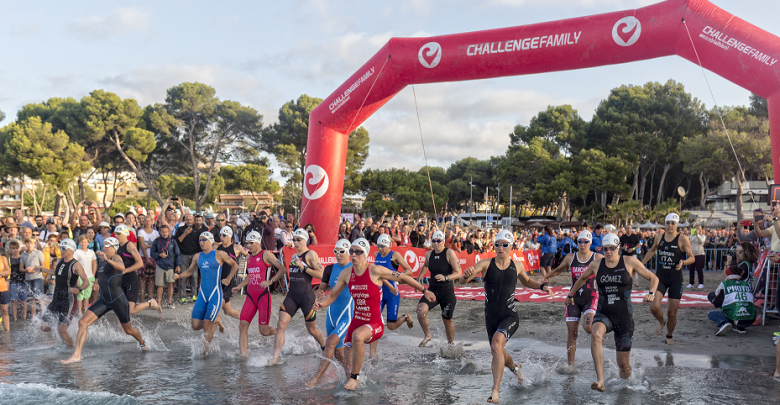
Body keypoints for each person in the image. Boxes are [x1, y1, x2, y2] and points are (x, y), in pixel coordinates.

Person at [313, 238, 435, 391]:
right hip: (356, 323)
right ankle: (352, 384)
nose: (353, 255)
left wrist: (425, 290)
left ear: (364, 254)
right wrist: (321, 304)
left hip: (374, 323)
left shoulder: (374, 270)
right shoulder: (346, 273)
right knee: (346, 358)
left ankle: (355, 378)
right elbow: (332, 296)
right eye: (352, 251)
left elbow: (403, 277)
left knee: (358, 336)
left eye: (358, 252)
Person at [460, 230, 554, 403]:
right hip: (491, 318)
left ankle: (495, 391)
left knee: (496, 345)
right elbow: (461, 281)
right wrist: (466, 276)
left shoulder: (516, 265)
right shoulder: (485, 264)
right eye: (497, 244)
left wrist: (542, 286)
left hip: (510, 315)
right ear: (494, 246)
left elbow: (526, 281)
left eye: (504, 244)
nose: (501, 248)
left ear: (511, 246)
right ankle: (516, 369)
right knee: (499, 351)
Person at [567, 233, 659, 392]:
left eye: (612, 248)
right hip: (604, 313)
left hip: (624, 318)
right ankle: (600, 380)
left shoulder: (629, 261)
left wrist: (651, 293)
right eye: (605, 249)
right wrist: (570, 295)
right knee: (595, 334)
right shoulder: (597, 264)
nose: (608, 252)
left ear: (618, 248)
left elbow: (653, 278)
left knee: (623, 366)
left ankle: (633, 384)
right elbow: (581, 279)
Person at [61, 237, 152, 363]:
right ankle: (76, 355)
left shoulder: (115, 257)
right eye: (103, 246)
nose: (104, 248)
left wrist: (107, 259)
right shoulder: (103, 261)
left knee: (128, 330)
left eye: (107, 246)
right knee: (82, 323)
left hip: (117, 300)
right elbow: (101, 276)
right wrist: (97, 282)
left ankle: (142, 342)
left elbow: (121, 267)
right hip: (104, 300)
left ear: (114, 248)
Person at [545, 230, 603, 368]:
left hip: (591, 297)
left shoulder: (597, 257)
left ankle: (599, 338)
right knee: (572, 333)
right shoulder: (570, 257)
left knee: (588, 327)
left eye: (585, 242)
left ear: (590, 243)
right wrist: (546, 277)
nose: (582, 244)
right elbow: (558, 270)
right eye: (580, 242)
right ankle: (571, 366)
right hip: (573, 299)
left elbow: (611, 267)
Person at [269, 228, 326, 365]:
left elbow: (322, 275)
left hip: (307, 297)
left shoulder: (310, 254)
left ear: (305, 239)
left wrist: (304, 267)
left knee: (312, 330)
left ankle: (325, 348)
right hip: (292, 296)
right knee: (281, 325)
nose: (295, 242)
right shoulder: (294, 256)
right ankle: (275, 358)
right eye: (294, 239)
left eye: (298, 239)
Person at [174, 232, 238, 353]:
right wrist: (179, 276)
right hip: (202, 294)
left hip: (215, 293)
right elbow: (189, 271)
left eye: (204, 240)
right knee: (195, 325)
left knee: (207, 323)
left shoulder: (220, 254)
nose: (201, 242)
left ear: (211, 241)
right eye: (200, 240)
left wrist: (229, 278)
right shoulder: (197, 256)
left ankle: (205, 350)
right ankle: (217, 320)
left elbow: (235, 266)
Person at [305, 239, 355, 388]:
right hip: (331, 315)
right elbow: (323, 290)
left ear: (348, 252)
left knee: (330, 342)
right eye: (335, 252)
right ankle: (352, 378)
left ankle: (316, 379)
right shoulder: (329, 269)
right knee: (340, 356)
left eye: (341, 252)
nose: (338, 255)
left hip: (347, 315)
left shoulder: (354, 268)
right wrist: (319, 298)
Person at [641, 213, 695, 345]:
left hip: (676, 279)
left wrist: (683, 263)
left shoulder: (682, 239)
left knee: (672, 312)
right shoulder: (659, 237)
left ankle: (669, 335)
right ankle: (661, 322)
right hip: (660, 278)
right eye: (668, 223)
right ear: (664, 224)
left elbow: (692, 257)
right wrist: (640, 265)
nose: (670, 225)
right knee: (654, 306)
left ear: (677, 224)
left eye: (673, 223)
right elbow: (651, 251)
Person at [232, 231, 285, 358]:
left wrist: (270, 281)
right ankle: (243, 356)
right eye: (247, 243)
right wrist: (239, 286)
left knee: (264, 331)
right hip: (250, 296)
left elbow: (282, 269)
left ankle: (280, 333)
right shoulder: (249, 257)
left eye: (251, 243)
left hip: (263, 296)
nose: (248, 246)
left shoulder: (266, 255)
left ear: (258, 242)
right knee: (242, 325)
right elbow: (250, 276)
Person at [369, 234, 415, 355]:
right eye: (378, 246)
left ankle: (406, 316)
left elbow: (409, 271)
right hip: (378, 293)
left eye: (382, 246)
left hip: (392, 294)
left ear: (388, 245)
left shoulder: (394, 255)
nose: (380, 249)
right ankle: (372, 354)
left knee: (391, 326)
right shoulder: (376, 255)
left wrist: (397, 276)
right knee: (374, 322)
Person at [416, 230, 463, 347]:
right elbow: (425, 265)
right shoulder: (429, 254)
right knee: (420, 311)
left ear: (443, 241)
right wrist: (418, 278)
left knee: (447, 321)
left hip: (447, 292)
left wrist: (446, 277)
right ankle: (427, 335)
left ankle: (451, 344)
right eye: (434, 241)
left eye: (438, 241)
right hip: (432, 291)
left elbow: (458, 273)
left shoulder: (449, 253)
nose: (436, 244)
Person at [40, 239, 91, 347]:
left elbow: (86, 282)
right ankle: (63, 334)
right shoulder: (60, 261)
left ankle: (71, 349)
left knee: (62, 330)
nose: (61, 251)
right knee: (44, 326)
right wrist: (40, 269)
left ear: (71, 250)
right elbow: (56, 272)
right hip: (57, 298)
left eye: (63, 248)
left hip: (68, 300)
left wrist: (79, 289)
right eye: (60, 248)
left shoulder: (76, 265)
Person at [114, 225, 161, 315]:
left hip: (131, 280)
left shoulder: (130, 245)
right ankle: (121, 329)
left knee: (131, 310)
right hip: (121, 280)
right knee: (120, 309)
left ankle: (151, 303)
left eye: (118, 234)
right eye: (115, 233)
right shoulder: (117, 246)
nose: (116, 235)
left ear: (125, 234)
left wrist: (125, 270)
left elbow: (139, 263)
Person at [707, 264, 756, 335]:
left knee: (711, 314)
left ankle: (723, 323)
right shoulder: (746, 284)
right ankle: (739, 327)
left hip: (736, 316)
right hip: (750, 319)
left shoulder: (725, 284)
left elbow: (717, 303)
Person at [175, 213, 207, 303]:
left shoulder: (197, 229)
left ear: (193, 220)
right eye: (187, 219)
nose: (189, 221)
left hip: (195, 255)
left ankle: (194, 295)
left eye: (190, 219)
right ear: (185, 220)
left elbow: (200, 242)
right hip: (184, 255)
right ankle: (183, 296)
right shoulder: (181, 229)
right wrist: (185, 233)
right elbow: (179, 240)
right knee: (183, 276)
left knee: (194, 276)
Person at [214, 226, 245, 319]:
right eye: (220, 235)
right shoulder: (216, 247)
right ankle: (245, 319)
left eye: (224, 235)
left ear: (230, 236)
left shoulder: (237, 247)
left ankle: (210, 330)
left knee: (218, 304)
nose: (221, 237)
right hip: (219, 281)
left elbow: (249, 256)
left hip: (230, 281)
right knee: (227, 311)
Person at [151, 225, 181, 307]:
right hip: (160, 265)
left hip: (170, 266)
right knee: (160, 285)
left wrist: (178, 265)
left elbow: (178, 254)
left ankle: (169, 302)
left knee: (170, 284)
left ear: (169, 232)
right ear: (160, 232)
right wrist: (159, 255)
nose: (165, 233)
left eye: (166, 232)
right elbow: (152, 253)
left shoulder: (172, 241)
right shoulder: (156, 241)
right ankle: (159, 303)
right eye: (163, 232)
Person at [73, 235, 97, 317]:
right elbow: (74, 264)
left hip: (90, 276)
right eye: (81, 242)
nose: (83, 244)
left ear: (88, 243)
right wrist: (76, 276)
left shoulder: (91, 252)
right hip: (80, 277)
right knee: (80, 295)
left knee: (87, 295)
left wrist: (93, 275)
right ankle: (79, 312)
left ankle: (86, 311)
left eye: (85, 242)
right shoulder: (77, 252)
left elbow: (94, 264)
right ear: (79, 243)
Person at [138, 216, 160, 303]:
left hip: (153, 256)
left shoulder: (156, 233)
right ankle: (142, 297)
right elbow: (142, 246)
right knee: (143, 277)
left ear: (152, 222)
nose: (147, 222)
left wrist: (148, 246)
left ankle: (151, 296)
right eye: (146, 221)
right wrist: (147, 258)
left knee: (152, 277)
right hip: (143, 256)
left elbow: (157, 245)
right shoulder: (141, 232)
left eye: (149, 221)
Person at [23, 237, 45, 318]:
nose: (30, 245)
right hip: (28, 278)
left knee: (39, 297)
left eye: (32, 243)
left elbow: (43, 266)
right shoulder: (23, 254)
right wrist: (27, 270)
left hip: (37, 277)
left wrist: (34, 269)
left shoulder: (38, 252)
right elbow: (20, 268)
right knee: (31, 298)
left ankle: (43, 315)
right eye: (28, 243)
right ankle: (33, 316)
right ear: (25, 243)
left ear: (35, 244)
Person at [7, 240, 28, 321]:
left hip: (23, 281)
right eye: (12, 248)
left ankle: (24, 318)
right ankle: (15, 318)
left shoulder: (23, 257)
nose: (15, 250)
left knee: (24, 300)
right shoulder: (9, 259)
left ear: (19, 248)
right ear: (10, 249)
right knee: (14, 300)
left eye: (16, 248)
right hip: (12, 281)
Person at [688, 224, 706, 289]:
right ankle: (691, 283)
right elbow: (688, 241)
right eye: (695, 228)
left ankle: (701, 283)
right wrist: (690, 234)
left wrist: (698, 235)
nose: (696, 230)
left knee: (699, 269)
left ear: (700, 229)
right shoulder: (691, 236)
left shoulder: (702, 236)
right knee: (691, 269)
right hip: (692, 254)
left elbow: (702, 242)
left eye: (698, 228)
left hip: (700, 254)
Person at [0, 252, 8, 333]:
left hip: (2, 287)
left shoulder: (2, 258)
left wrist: (1, 273)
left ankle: (7, 334)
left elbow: (8, 272)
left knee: (5, 311)